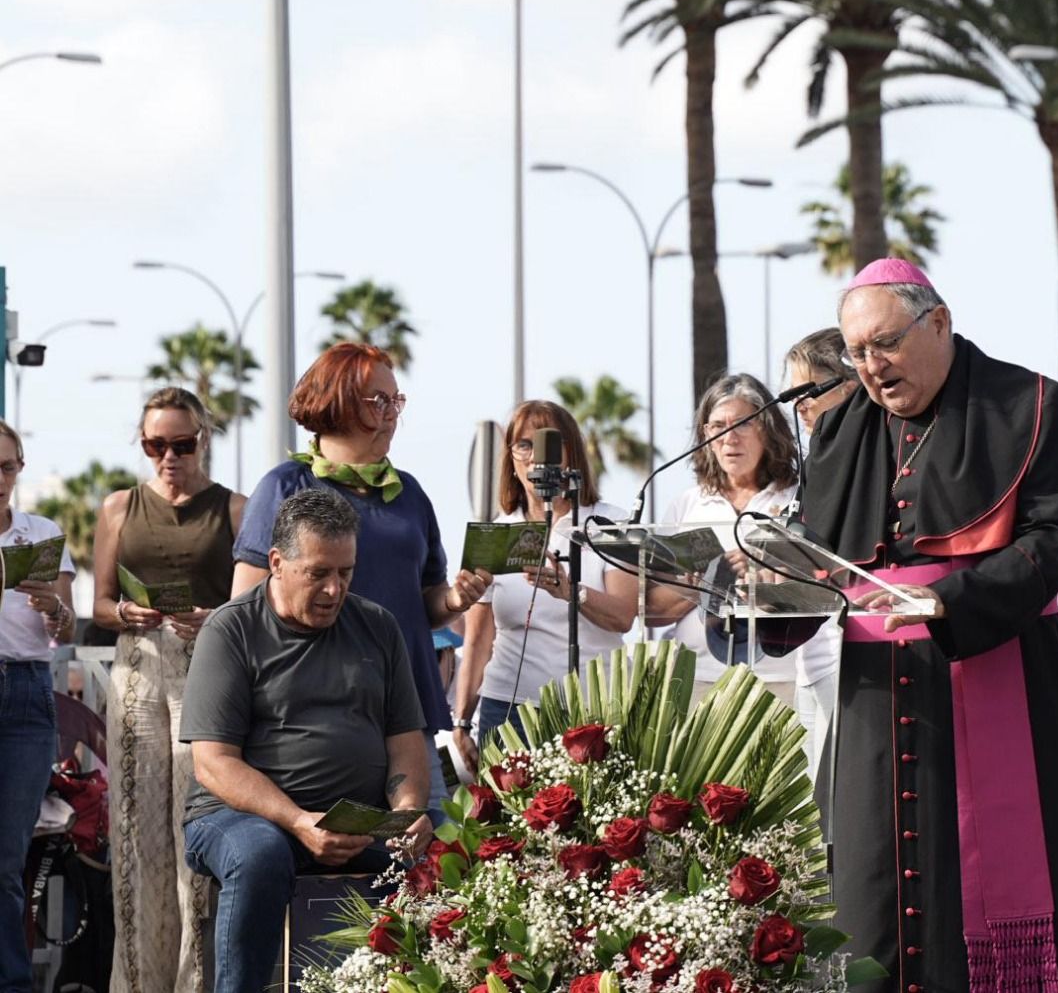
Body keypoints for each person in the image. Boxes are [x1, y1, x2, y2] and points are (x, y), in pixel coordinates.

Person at [788, 258, 1058, 992]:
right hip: (876, 702)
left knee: (996, 889)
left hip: (994, 666)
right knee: (873, 891)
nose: (871, 368)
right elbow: (815, 558)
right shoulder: (840, 431)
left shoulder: (1030, 405)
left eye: (885, 345)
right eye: (858, 353)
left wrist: (950, 600)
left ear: (937, 321)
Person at [181, 488, 432, 993]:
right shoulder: (230, 630)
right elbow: (214, 763)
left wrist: (405, 816)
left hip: (353, 820)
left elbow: (406, 743)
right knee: (261, 856)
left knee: (434, 860)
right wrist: (299, 821)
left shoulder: (378, 627)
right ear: (276, 563)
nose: (335, 589)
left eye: (346, 573)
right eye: (319, 573)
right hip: (238, 817)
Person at [231, 343, 486, 825]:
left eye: (396, 401)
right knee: (331, 869)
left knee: (429, 863)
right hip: (318, 720)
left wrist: (455, 599)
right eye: (378, 402)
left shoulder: (409, 493)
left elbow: (427, 600)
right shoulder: (286, 486)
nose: (392, 415)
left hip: (406, 716)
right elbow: (244, 605)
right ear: (339, 402)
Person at [89, 387, 245, 993]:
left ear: (202, 440)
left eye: (181, 444)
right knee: (133, 833)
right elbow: (99, 603)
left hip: (207, 668)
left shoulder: (234, 508)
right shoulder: (119, 508)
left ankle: (197, 981)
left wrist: (215, 617)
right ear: (144, 443)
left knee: (196, 828)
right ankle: (135, 981)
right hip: (137, 669)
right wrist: (125, 612)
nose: (169, 458)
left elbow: (251, 599)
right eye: (157, 445)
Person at [454, 401, 638, 771]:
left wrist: (571, 592)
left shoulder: (612, 523)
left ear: (571, 452)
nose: (537, 457)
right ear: (511, 459)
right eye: (524, 445)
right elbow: (477, 640)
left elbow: (623, 616)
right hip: (509, 710)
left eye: (549, 443)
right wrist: (462, 720)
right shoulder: (498, 530)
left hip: (592, 707)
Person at [652, 373, 802, 706]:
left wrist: (763, 571)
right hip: (696, 681)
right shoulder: (687, 505)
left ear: (768, 429)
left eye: (743, 424)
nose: (729, 438)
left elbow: (818, 588)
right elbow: (650, 611)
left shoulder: (797, 499)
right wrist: (701, 586)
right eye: (717, 426)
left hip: (779, 680)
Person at [0, 420, 76, 993]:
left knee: (7, 860)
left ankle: (14, 983)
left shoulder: (40, 533)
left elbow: (64, 627)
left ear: (20, 468)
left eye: (6, 466)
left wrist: (54, 607)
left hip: (25, 691)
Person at [782, 330, 860, 779]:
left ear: (849, 383)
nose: (800, 407)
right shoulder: (817, 457)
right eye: (792, 395)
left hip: (851, 655)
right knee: (813, 820)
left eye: (807, 391)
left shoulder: (867, 453)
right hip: (809, 658)